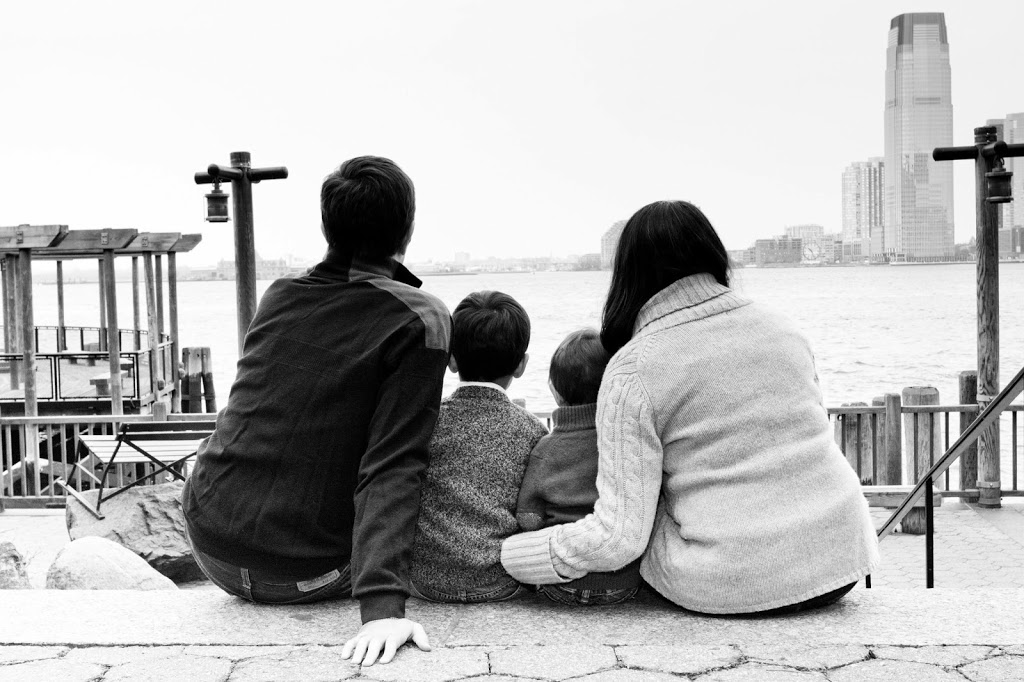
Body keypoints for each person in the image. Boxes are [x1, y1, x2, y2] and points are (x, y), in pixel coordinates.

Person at [501, 200, 880, 615]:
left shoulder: (633, 368)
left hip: (734, 576)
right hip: (842, 554)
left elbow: (618, 537)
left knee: (644, 499)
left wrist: (514, 554)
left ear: (627, 274)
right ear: (713, 254)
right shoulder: (784, 328)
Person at [182, 156, 452, 666]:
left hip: (210, 544)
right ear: (407, 230)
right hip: (302, 573)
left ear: (327, 226)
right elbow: (395, 463)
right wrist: (382, 610)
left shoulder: (280, 294)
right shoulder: (420, 318)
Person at [410, 291, 547, 602]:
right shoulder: (533, 431)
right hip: (499, 581)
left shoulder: (425, 422)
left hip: (425, 580)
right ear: (521, 365)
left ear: (451, 359)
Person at [516, 328, 641, 606]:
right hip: (622, 582)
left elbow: (528, 516)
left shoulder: (546, 449)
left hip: (559, 583)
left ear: (555, 392)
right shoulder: (625, 442)